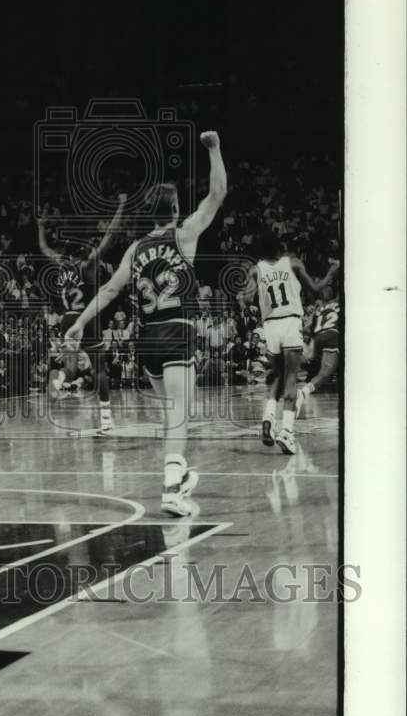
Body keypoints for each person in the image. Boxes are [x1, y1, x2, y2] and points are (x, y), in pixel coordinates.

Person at [66, 131, 228, 516]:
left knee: (172, 412)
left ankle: (181, 473)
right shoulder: (184, 234)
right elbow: (218, 192)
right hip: (176, 329)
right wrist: (215, 149)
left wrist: (79, 324)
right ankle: (172, 489)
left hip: (147, 338)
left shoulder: (135, 249)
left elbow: (107, 292)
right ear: (174, 211)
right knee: (179, 415)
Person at [240, 233, 338, 454]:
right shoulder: (292, 263)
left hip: (270, 326)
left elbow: (245, 298)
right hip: (290, 321)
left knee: (278, 376)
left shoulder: (256, 269)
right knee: (292, 378)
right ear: (279, 249)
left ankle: (267, 418)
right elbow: (316, 288)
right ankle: (286, 432)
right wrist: (332, 272)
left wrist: (248, 298)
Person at [38, 193, 126, 435]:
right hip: (86, 316)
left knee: (71, 367)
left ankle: (57, 381)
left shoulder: (60, 264)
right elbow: (110, 236)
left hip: (67, 317)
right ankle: (106, 420)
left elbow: (44, 247)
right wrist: (121, 206)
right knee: (99, 369)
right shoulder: (88, 265)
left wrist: (41, 226)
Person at [296, 280, 341, 416]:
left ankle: (302, 363)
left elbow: (307, 328)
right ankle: (303, 391)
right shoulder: (339, 303)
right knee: (325, 373)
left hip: (319, 338)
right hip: (332, 335)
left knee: (319, 369)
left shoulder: (319, 309)